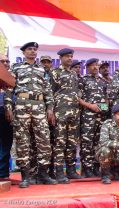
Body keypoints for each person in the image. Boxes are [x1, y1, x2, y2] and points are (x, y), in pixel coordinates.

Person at [4, 42, 57, 188]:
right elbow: (9, 88)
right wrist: (8, 107)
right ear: (24, 52)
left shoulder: (41, 69)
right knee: (23, 141)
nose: (33, 52)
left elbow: (47, 90)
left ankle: (43, 174)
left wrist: (50, 108)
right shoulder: (16, 67)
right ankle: (26, 176)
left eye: (35, 49)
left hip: (39, 107)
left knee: (44, 140)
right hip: (21, 106)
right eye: (30, 49)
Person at [50, 48, 81, 183]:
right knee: (60, 142)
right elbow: (50, 93)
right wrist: (51, 110)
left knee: (72, 143)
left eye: (71, 56)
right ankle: (59, 172)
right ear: (61, 58)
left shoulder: (74, 73)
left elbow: (75, 92)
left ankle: (71, 170)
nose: (70, 58)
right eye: (67, 56)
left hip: (74, 113)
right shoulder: (55, 72)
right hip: (60, 112)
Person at [78, 58, 108, 177]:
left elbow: (106, 99)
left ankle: (96, 167)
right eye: (92, 65)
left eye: (96, 65)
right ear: (87, 68)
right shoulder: (83, 80)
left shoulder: (103, 81)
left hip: (101, 116)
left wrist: (102, 107)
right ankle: (87, 169)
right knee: (87, 143)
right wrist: (90, 106)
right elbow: (77, 98)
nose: (95, 67)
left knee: (98, 143)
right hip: (87, 116)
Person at [0, 54, 13, 181]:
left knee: (6, 144)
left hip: (8, 114)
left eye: (7, 61)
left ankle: (3, 173)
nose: (5, 63)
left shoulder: (13, 78)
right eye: (2, 61)